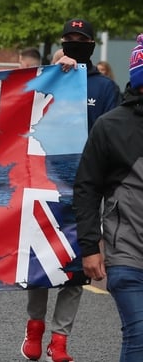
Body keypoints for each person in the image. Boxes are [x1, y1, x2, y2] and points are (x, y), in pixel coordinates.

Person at [21, 18, 120, 362]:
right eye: (70, 38)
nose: (76, 42)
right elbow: (23, 117)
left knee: (78, 266)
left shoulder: (105, 88)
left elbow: (115, 134)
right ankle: (34, 326)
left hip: (86, 190)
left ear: (92, 44)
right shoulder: (46, 78)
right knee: (40, 263)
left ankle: (59, 340)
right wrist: (53, 77)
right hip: (45, 183)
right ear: (61, 41)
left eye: (82, 38)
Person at [73, 33, 143, 361]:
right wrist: (90, 247)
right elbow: (87, 187)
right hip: (127, 253)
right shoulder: (110, 126)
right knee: (140, 334)